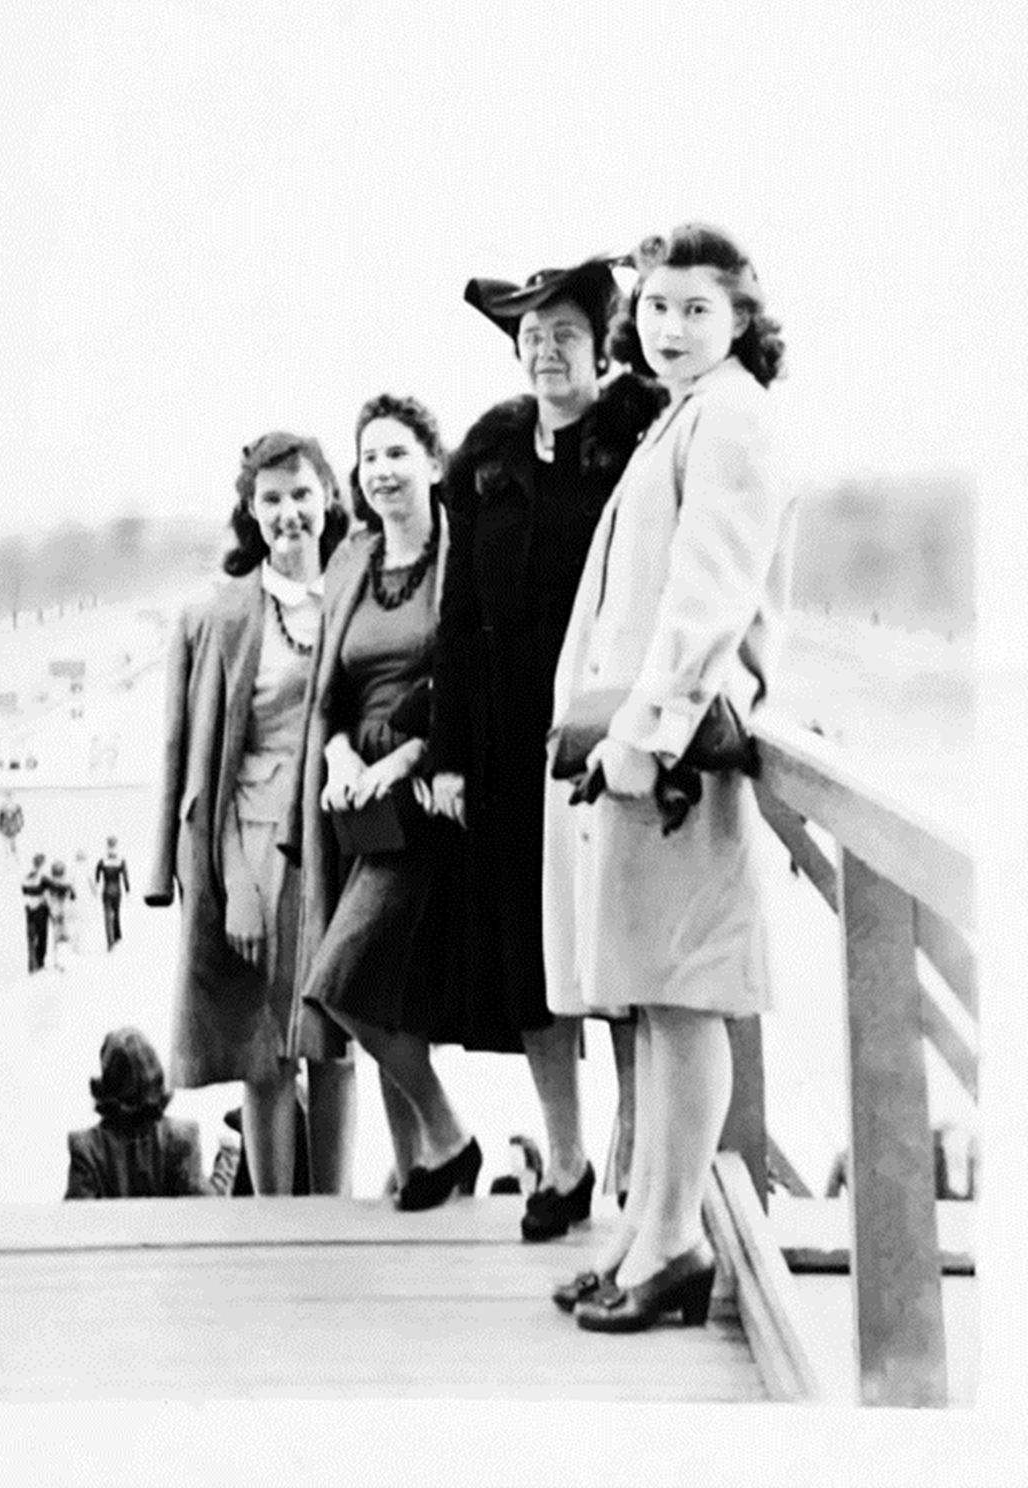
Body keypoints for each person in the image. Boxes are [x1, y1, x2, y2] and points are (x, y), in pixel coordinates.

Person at [547, 224, 793, 1331]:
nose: (672, 327)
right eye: (654, 307)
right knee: (655, 996)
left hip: (682, 759)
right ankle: (648, 1237)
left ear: (740, 318)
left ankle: (677, 1244)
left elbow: (705, 602)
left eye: (697, 307)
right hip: (654, 753)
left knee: (687, 999)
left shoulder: (734, 417)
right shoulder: (687, 418)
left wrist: (644, 738)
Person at [429, 255, 666, 1241]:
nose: (546, 352)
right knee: (533, 957)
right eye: (530, 338)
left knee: (618, 943)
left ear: (598, 346)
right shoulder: (486, 460)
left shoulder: (636, 442)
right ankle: (562, 1161)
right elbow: (457, 611)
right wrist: (446, 752)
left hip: (609, 730)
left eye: (564, 334)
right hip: (503, 739)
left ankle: (637, 1149)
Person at [146, 432, 356, 1195]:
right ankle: (272, 1220)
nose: (289, 512)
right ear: (251, 511)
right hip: (257, 844)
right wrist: (233, 881)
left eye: (302, 493)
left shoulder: (358, 596)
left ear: (329, 497)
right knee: (263, 1047)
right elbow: (208, 775)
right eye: (271, 499)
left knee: (336, 1039)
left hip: (342, 842)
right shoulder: (224, 617)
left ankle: (331, 1211)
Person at [291, 393, 479, 1211]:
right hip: (352, 801)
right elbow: (326, 692)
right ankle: (426, 1164)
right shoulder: (350, 563)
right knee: (373, 989)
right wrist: (336, 759)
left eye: (398, 454)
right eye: (369, 458)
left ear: (433, 464)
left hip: (424, 793)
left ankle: (449, 1135)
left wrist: (402, 760)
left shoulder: (459, 556)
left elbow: (464, 673)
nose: (382, 472)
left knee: (341, 979)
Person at [64, 1027, 208, 1198]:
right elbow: (206, 1211)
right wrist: (228, 1161)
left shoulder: (85, 1147)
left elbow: (76, 1220)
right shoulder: (182, 1137)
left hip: (110, 1226)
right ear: (157, 1075)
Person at [94, 835, 132, 949]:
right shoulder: (121, 860)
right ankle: (117, 936)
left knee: (107, 916)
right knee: (116, 913)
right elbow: (125, 877)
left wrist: (96, 885)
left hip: (106, 889)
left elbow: (97, 875)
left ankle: (110, 942)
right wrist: (128, 890)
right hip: (117, 890)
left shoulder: (102, 860)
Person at [44, 860, 76, 972]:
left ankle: (58, 961)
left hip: (54, 912)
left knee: (56, 938)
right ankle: (65, 961)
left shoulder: (49, 884)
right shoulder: (67, 883)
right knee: (65, 936)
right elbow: (73, 897)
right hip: (64, 912)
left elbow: (46, 897)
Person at [22, 853, 50, 973]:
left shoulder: (27, 876)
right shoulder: (43, 876)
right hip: (41, 908)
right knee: (42, 937)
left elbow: (24, 890)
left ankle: (31, 965)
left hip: (29, 909)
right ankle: (40, 963)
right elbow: (48, 890)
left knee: (31, 937)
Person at [0, 792, 24, 857]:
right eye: (8, 797)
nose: (9, 799)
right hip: (8, 827)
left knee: (11, 842)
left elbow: (20, 817)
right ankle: (11, 856)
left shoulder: (15, 806)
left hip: (10, 827)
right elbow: (1, 818)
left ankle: (13, 855)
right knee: (9, 843)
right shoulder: (4, 807)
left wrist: (20, 825)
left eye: (10, 797)